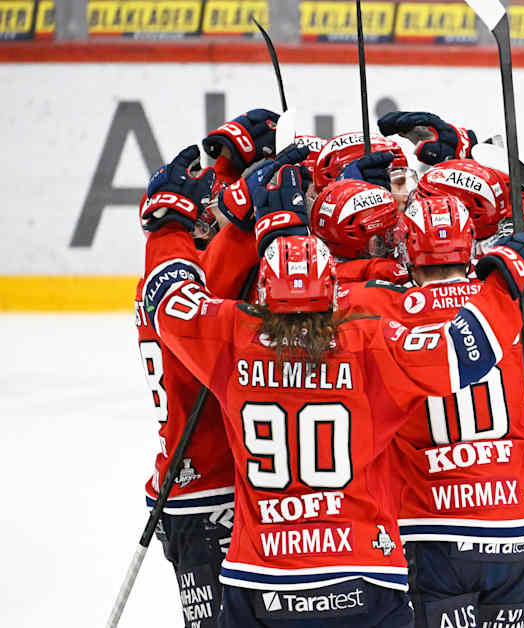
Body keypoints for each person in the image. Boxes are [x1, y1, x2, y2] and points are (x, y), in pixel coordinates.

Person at [138, 147, 524, 627]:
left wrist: (167, 227)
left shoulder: (231, 338)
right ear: (331, 289)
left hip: (260, 576)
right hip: (364, 569)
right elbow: (466, 353)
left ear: (264, 295)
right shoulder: (370, 342)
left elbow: (168, 299)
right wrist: (506, 284)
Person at [338, 193, 524, 628]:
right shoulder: (518, 295)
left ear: (406, 250)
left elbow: (308, 299)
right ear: (472, 245)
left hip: (430, 527)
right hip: (512, 527)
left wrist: (370, 265)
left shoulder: (379, 306)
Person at [135, 113, 282, 627]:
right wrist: (253, 209)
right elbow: (227, 266)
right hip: (208, 491)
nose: (216, 209)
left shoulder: (170, 275)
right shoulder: (189, 288)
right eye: (209, 203)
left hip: (200, 486)